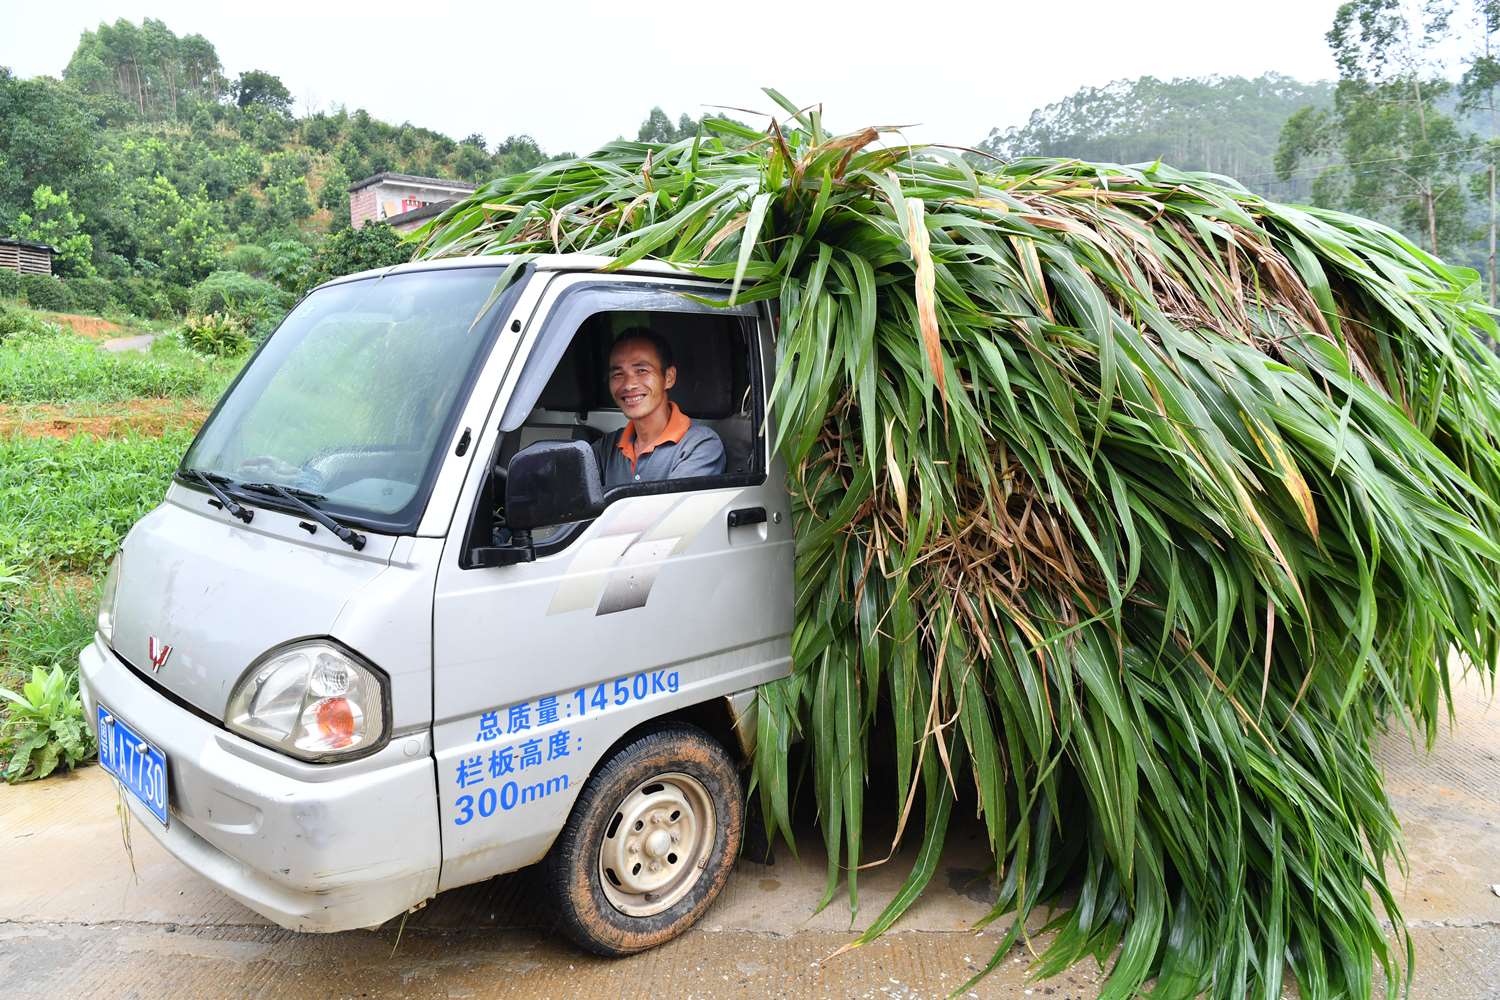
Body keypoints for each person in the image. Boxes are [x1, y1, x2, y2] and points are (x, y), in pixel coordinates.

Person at [592, 328, 725, 487]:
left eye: (641, 370)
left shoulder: (699, 445)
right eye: (618, 374)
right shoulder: (607, 447)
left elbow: (672, 510)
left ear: (669, 378)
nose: (628, 385)